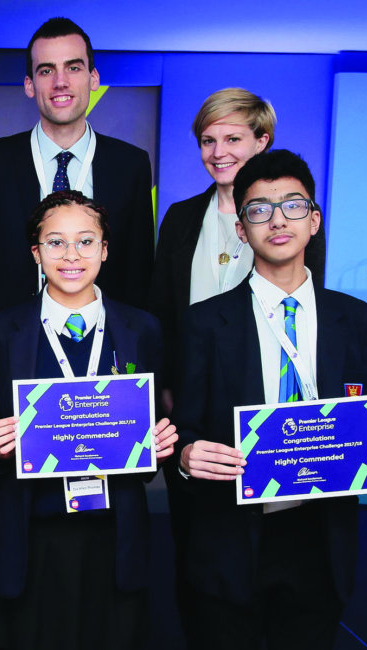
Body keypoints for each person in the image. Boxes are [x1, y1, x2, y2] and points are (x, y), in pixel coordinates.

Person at [172, 150, 367, 650]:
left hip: (322, 540)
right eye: (259, 209)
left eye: (293, 205)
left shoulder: (357, 321)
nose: (278, 220)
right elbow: (186, 434)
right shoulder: (202, 324)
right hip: (231, 542)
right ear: (242, 229)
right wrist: (188, 458)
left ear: (315, 220)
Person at [0, 190, 177, 650]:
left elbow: (152, 425)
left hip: (113, 534)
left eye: (85, 241)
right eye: (55, 242)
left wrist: (161, 443)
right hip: (30, 535)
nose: (71, 255)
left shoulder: (142, 328)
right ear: (36, 253)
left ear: (105, 249)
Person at [0, 17, 155, 317]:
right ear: (29, 84)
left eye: (73, 67)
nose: (60, 81)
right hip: (10, 347)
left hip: (103, 346)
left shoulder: (131, 165)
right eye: (46, 70)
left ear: (93, 78)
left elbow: (138, 273)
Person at [151, 88, 326, 404]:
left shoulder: (296, 218)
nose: (218, 153)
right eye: (208, 141)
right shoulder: (180, 217)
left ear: (262, 142)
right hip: (189, 384)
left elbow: (304, 306)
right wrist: (164, 385)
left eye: (233, 139)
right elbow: (162, 311)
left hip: (266, 381)